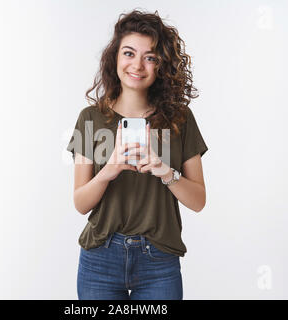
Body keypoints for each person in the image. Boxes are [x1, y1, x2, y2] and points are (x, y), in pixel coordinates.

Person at [66, 9, 208, 300]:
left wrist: (165, 171)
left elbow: (198, 201)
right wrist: (110, 169)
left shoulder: (181, 119)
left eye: (150, 57)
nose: (138, 65)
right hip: (100, 259)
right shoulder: (90, 119)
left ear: (161, 65)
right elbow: (81, 203)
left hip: (159, 261)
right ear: (115, 58)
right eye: (129, 53)